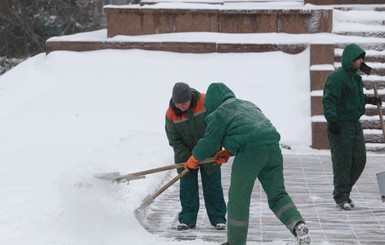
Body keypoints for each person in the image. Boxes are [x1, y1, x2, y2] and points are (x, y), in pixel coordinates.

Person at [184, 83, 311, 245]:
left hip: (251, 153)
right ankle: (297, 224)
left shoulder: (219, 113)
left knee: (239, 198)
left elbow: (208, 142)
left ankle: (235, 242)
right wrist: (228, 151)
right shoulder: (248, 105)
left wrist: (194, 160)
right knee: (277, 195)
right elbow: (249, 130)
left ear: (212, 103)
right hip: (272, 147)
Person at [323, 43, 381, 210]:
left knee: (359, 160)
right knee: (343, 162)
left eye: (363, 58)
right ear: (350, 60)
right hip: (340, 125)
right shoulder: (337, 77)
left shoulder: (356, 77)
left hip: (354, 124)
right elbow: (329, 100)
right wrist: (332, 120)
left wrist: (370, 101)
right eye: (359, 58)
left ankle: (344, 192)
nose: (362, 61)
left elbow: (356, 98)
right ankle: (341, 197)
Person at [165, 82, 227, 231]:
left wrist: (213, 148)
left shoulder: (206, 102)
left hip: (210, 152)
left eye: (184, 103)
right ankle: (187, 219)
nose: (180, 107)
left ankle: (218, 218)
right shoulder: (170, 114)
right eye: (177, 103)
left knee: (213, 186)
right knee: (187, 188)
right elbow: (174, 140)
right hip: (184, 155)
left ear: (190, 97)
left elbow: (217, 126)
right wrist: (188, 157)